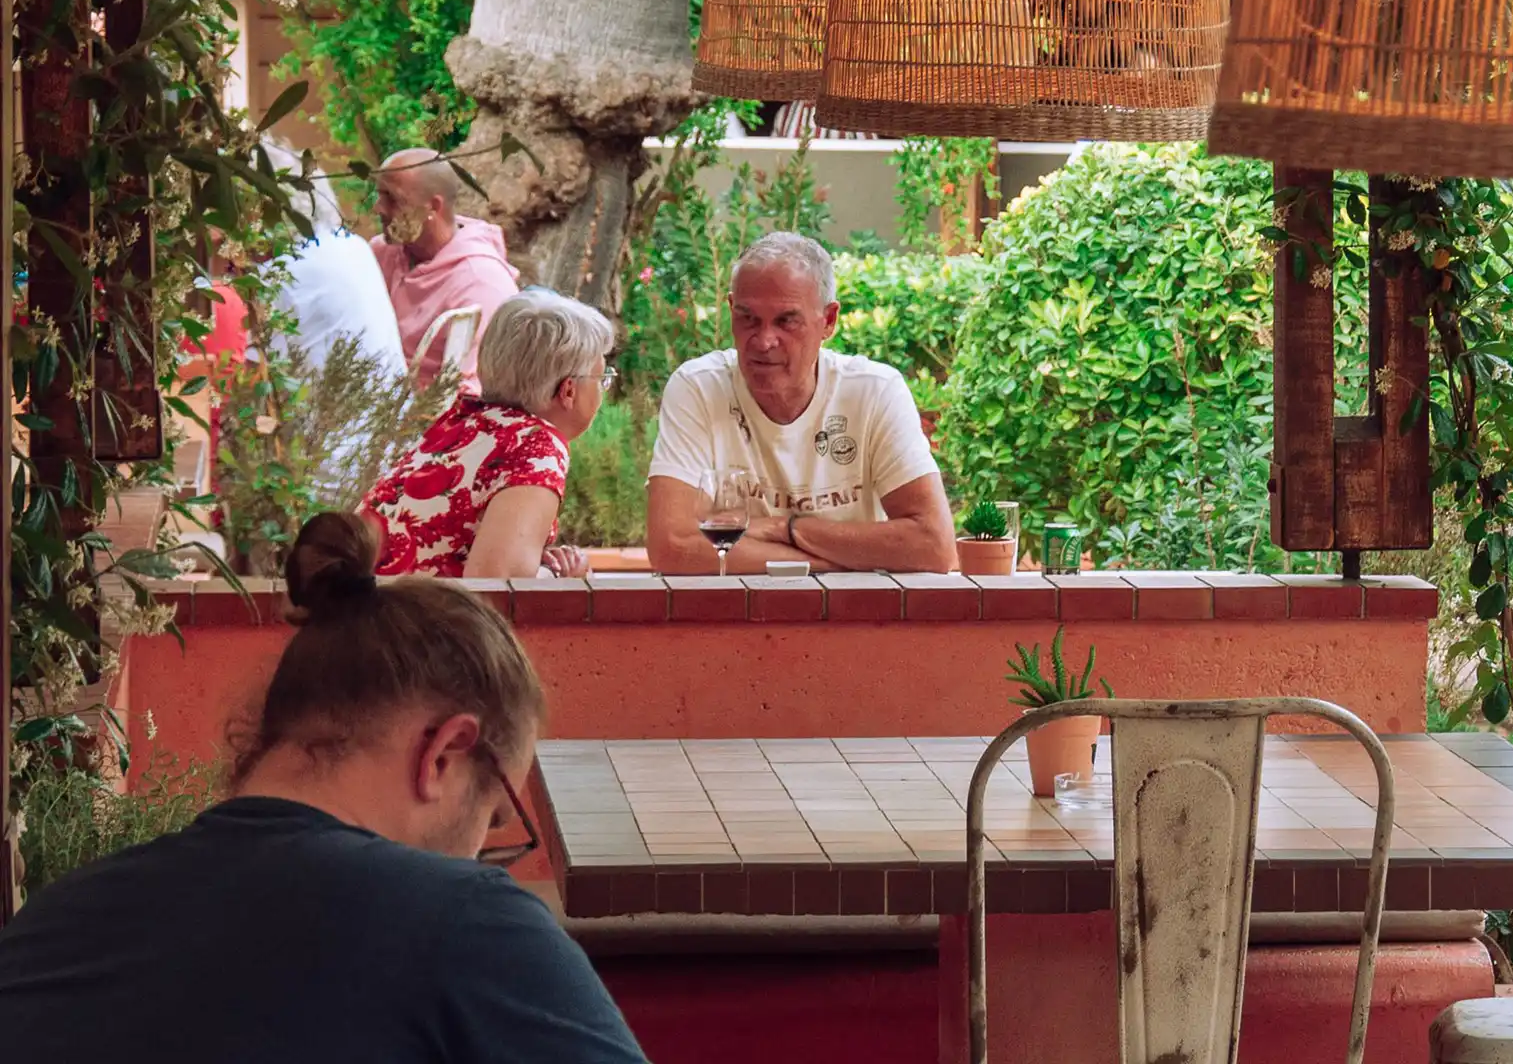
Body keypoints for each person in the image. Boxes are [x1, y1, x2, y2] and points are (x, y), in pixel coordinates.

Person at [0, 511, 649, 1064]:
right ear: (445, 754)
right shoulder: (467, 926)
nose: (483, 851)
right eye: (495, 815)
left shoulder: (58, 918)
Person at [646, 231, 955, 574]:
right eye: (748, 318)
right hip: (730, 620)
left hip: (848, 621)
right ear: (731, 309)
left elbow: (935, 546)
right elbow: (671, 547)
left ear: (829, 321)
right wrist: (833, 562)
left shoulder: (874, 391)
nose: (763, 341)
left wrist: (787, 529)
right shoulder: (698, 388)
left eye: (786, 321)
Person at [362, 287, 611, 578]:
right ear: (568, 391)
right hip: (402, 617)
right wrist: (563, 579)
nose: (603, 389)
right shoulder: (536, 446)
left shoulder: (463, 421)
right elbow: (501, 590)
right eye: (602, 378)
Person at [370, 146, 520, 393]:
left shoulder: (481, 282)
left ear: (433, 206)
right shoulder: (382, 252)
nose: (378, 208)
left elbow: (474, 393)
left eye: (392, 199)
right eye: (379, 195)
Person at [276, 169, 407, 387]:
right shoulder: (354, 244)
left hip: (336, 416)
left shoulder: (284, 271)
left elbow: (251, 374)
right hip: (393, 411)